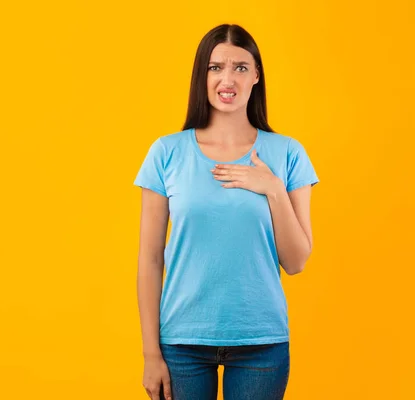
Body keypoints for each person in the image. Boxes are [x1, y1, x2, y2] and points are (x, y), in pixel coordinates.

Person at [134, 23, 319, 400]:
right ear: (201, 76)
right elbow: (150, 259)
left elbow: (297, 261)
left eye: (239, 67)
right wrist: (151, 352)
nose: (227, 78)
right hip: (182, 342)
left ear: (256, 76)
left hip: (261, 342)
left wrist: (272, 189)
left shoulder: (287, 153)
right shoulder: (167, 153)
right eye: (215, 67)